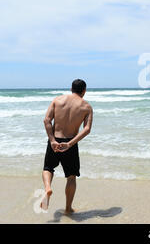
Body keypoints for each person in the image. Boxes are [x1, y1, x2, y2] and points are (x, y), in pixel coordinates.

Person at [40, 79, 93, 214]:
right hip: (70, 144)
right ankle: (68, 208)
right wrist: (70, 144)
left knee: (48, 168)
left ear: (71, 89)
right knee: (71, 177)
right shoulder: (86, 107)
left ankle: (47, 188)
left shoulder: (57, 100)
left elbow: (46, 120)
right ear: (84, 91)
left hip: (55, 141)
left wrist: (52, 140)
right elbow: (87, 129)